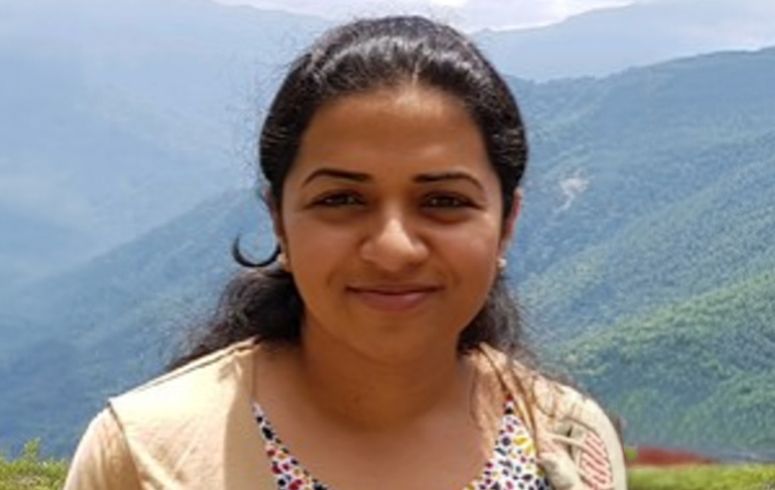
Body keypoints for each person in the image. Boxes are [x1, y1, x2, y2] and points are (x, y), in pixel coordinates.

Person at [64, 15, 627, 490]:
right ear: (280, 222)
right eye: (341, 199)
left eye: (443, 201)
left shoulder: (570, 441)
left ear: (506, 224)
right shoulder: (141, 452)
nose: (393, 248)